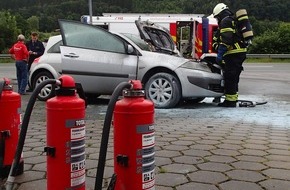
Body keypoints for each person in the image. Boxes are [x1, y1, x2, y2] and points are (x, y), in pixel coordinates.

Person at [212, 3, 247, 107]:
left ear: (220, 14)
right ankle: (233, 99)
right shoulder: (233, 20)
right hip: (239, 52)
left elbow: (227, 40)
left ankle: (230, 102)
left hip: (233, 53)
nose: (217, 20)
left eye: (217, 17)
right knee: (234, 77)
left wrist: (220, 54)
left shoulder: (226, 21)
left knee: (230, 77)